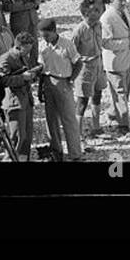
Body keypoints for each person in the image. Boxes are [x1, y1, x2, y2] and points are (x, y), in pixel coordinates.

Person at [37, 18, 84, 161]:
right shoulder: (42, 45)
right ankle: (56, 152)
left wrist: (70, 80)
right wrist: (40, 88)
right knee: (51, 120)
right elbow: (41, 67)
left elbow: (78, 63)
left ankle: (75, 154)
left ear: (54, 31)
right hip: (47, 82)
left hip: (63, 82)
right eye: (42, 35)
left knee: (69, 120)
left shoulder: (67, 45)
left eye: (47, 35)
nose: (44, 38)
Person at [100, 0, 130, 134]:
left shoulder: (124, 11)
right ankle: (123, 125)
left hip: (127, 58)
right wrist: (127, 43)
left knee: (125, 91)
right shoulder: (106, 18)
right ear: (111, 2)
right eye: (120, 0)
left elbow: (129, 28)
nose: (124, 2)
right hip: (115, 62)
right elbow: (106, 43)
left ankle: (112, 113)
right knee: (120, 93)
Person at [0, 32, 42, 161]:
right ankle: (9, 159)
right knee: (16, 137)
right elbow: (3, 81)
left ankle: (23, 159)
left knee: (26, 136)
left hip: (26, 100)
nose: (28, 53)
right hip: (14, 102)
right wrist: (22, 78)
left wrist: (32, 75)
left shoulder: (22, 56)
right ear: (18, 47)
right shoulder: (5, 59)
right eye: (26, 50)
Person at [72, 0, 107, 142]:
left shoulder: (99, 25)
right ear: (85, 13)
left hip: (98, 64)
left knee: (98, 94)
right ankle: (77, 135)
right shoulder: (79, 30)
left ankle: (96, 127)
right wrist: (82, 60)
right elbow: (71, 51)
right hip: (85, 68)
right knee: (82, 101)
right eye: (94, 10)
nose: (98, 13)